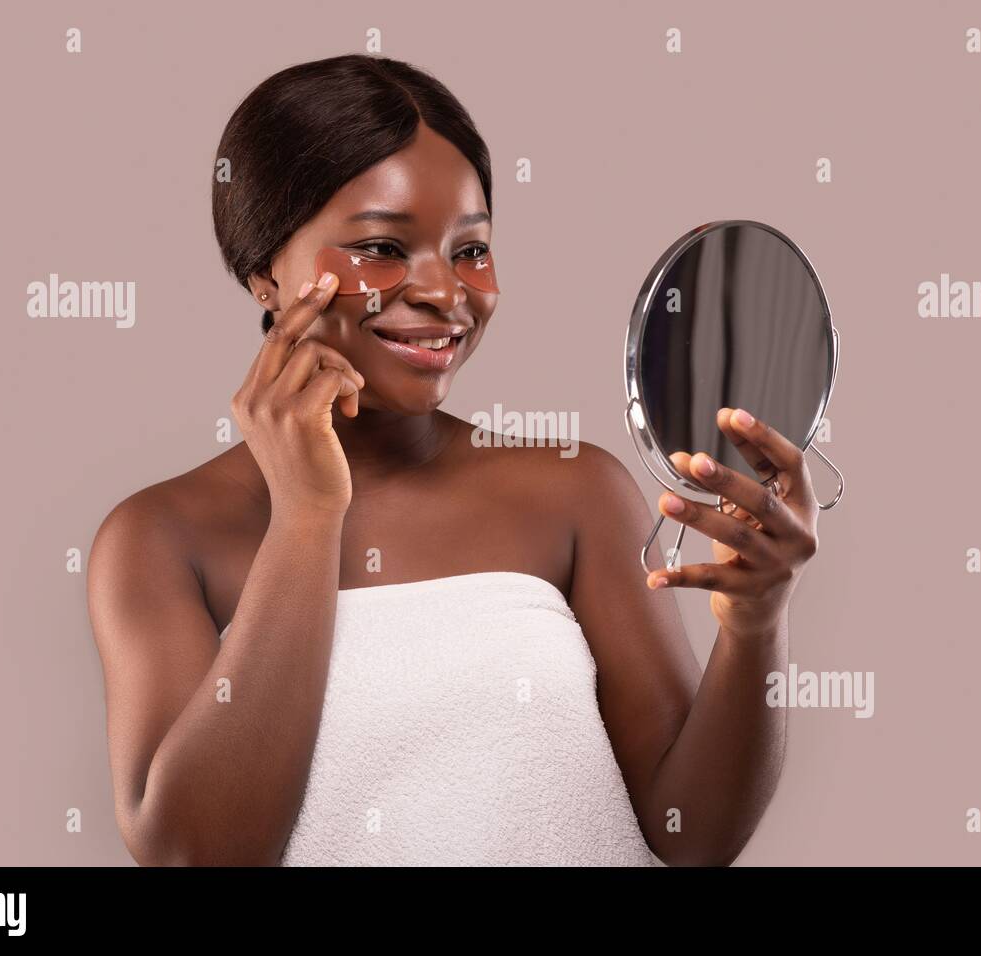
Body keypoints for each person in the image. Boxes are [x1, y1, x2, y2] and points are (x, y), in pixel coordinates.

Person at [87, 53, 821, 866]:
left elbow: (693, 837)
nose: (445, 291)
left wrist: (755, 626)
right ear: (266, 273)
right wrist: (306, 515)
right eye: (381, 249)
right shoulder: (161, 538)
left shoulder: (573, 490)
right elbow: (198, 853)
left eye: (470, 251)